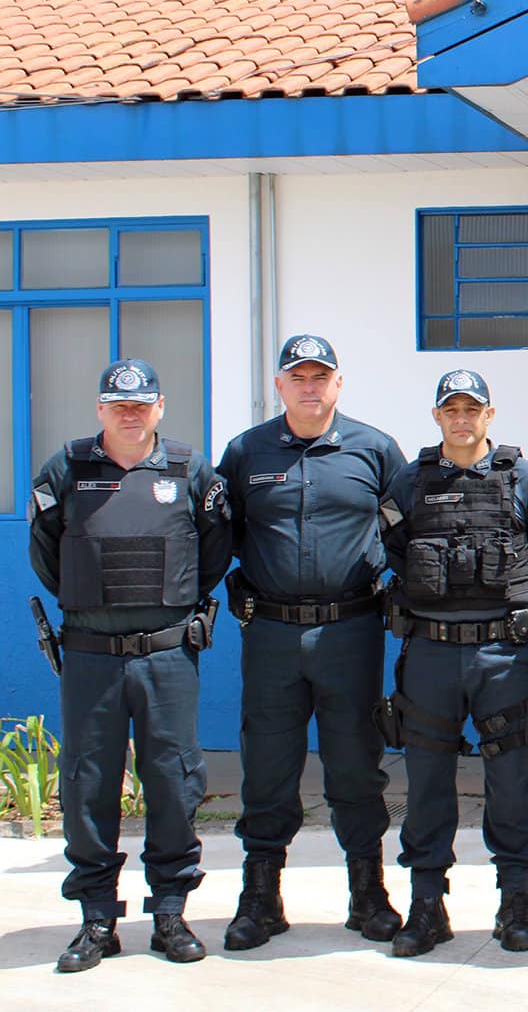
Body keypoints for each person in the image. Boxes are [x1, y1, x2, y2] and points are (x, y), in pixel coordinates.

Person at [28, 360, 231, 973]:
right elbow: (45, 553)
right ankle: (96, 919)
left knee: (173, 780)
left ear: (160, 407)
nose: (130, 414)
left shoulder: (190, 469)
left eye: (141, 405)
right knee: (89, 784)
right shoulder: (66, 468)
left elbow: (214, 549)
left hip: (168, 655)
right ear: (100, 410)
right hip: (91, 657)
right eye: (119, 406)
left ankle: (170, 912)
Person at [217, 335, 406, 952]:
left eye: (320, 375)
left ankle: (368, 894)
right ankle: (261, 898)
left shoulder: (375, 450)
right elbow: (220, 532)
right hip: (270, 633)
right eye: (297, 375)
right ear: (279, 385)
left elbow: (410, 532)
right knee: (267, 767)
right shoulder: (247, 452)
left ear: (338, 383)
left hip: (350, 631)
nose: (309, 386)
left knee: (355, 764)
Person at [375, 370, 528, 956]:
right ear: (437, 416)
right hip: (430, 652)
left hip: (502, 655)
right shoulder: (410, 483)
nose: (461, 418)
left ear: (489, 414)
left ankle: (515, 907)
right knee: (427, 782)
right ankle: (426, 907)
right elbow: (395, 551)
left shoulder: (523, 479)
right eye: (451, 409)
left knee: (510, 782)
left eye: (472, 408)